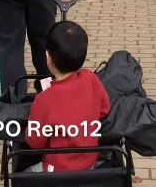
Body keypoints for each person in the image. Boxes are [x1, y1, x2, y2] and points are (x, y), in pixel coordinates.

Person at [25, 21, 111, 172]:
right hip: (89, 162)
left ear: (48, 57)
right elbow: (104, 109)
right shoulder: (90, 78)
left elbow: (34, 142)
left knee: (25, 174)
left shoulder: (44, 99)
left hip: (56, 169)